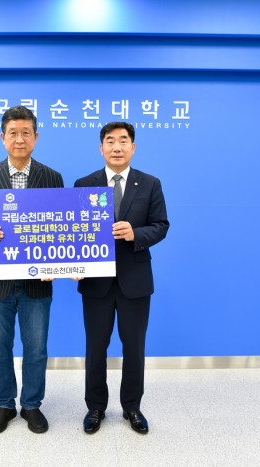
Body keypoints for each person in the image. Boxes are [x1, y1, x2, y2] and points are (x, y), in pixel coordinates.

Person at [0, 105, 64, 434]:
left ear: (36, 136)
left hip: (38, 280)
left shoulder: (52, 178)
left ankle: (32, 404)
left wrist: (58, 263)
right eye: (13, 133)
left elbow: (61, 228)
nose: (19, 139)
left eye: (26, 133)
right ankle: (5, 404)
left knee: (36, 348)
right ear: (2, 137)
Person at [74, 122, 169, 435]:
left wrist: (135, 233)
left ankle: (132, 407)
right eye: (110, 141)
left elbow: (161, 225)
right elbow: (74, 230)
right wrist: (66, 264)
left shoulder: (150, 183)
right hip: (96, 282)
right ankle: (95, 407)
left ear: (133, 147)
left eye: (123, 141)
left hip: (135, 281)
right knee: (95, 348)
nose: (117, 147)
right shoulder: (84, 184)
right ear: (101, 147)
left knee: (134, 348)